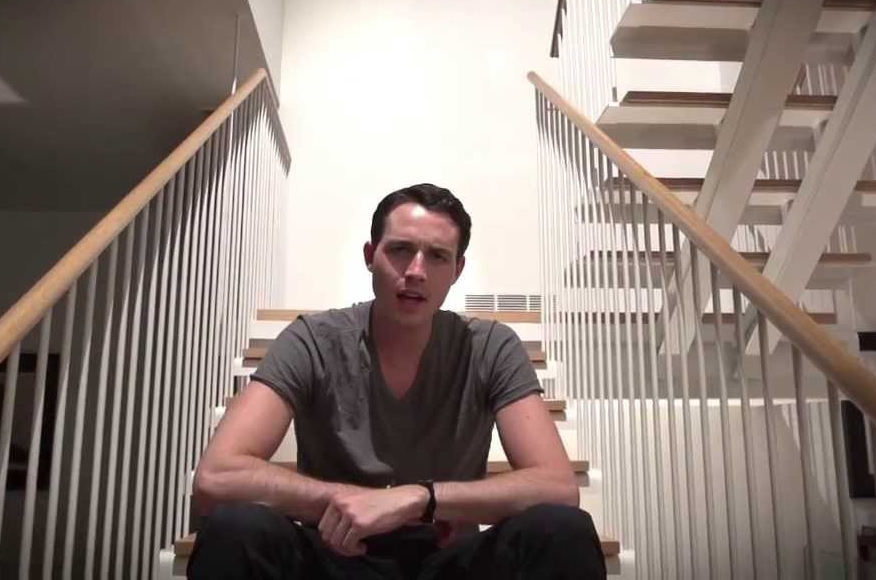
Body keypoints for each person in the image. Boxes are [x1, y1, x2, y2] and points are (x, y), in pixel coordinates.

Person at [189, 183, 606, 579]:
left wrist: (419, 499)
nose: (417, 271)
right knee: (236, 527)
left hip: (450, 563)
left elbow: (556, 486)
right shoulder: (313, 340)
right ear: (370, 255)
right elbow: (217, 476)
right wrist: (349, 503)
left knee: (561, 529)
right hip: (336, 557)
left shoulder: (491, 347)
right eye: (401, 250)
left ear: (457, 270)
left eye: (437, 256)